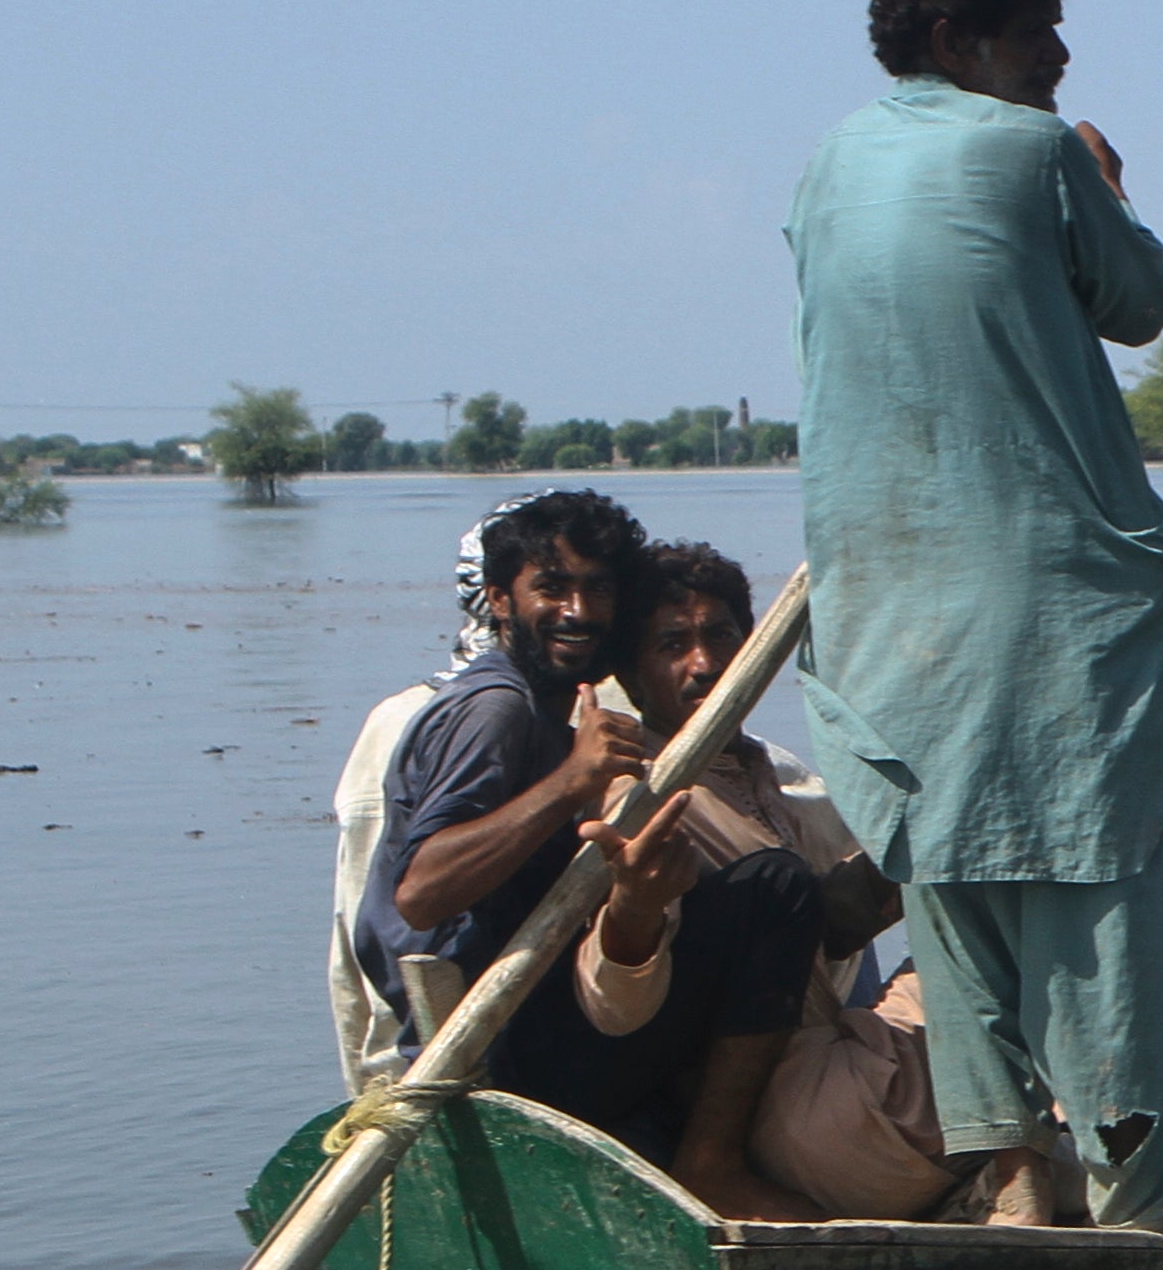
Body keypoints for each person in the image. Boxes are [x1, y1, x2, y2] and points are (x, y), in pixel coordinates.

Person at [788, 0, 1163, 1233]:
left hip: (884, 610)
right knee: (1102, 899)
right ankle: (1141, 1205)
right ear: (956, 42)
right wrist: (1110, 187)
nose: (1058, 54)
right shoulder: (1037, 153)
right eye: (1035, 29)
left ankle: (1016, 1176)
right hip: (1052, 608)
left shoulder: (825, 167)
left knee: (954, 882)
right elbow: (1140, 302)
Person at [351, 491, 828, 1217]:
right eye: (552, 588)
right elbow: (420, 891)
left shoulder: (548, 707)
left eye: (598, 589)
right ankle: (713, 1165)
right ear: (499, 601)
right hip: (501, 1039)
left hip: (536, 1016)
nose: (579, 612)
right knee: (773, 891)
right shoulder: (497, 708)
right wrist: (573, 780)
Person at [613, 544, 972, 1221]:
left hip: (831, 1085)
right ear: (632, 676)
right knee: (1001, 964)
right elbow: (635, 983)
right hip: (812, 1116)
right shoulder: (644, 794)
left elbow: (818, 925)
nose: (705, 665)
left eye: (722, 637)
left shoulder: (756, 774)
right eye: (673, 645)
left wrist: (939, 825)